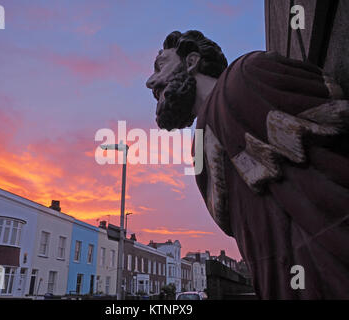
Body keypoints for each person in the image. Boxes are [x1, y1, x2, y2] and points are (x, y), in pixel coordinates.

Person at [146, 30, 349, 299]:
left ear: (192, 61)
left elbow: (332, 112)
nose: (151, 83)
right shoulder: (200, 149)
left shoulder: (249, 73)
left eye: (162, 65)